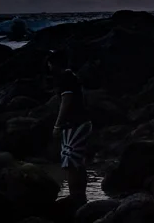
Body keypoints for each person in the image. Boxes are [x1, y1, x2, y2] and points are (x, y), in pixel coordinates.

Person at [47, 49, 92, 205]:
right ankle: (80, 195)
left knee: (70, 162)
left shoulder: (65, 78)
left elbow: (67, 100)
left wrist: (57, 125)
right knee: (77, 161)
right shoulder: (72, 76)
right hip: (81, 123)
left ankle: (75, 197)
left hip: (75, 125)